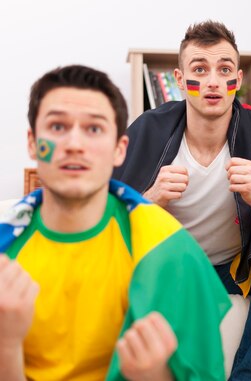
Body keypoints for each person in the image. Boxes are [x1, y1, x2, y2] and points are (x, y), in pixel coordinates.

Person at [0, 65, 230, 381]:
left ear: (119, 149)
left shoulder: (169, 250)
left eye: (94, 129)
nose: (74, 144)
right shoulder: (5, 251)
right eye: (57, 126)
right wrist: (6, 345)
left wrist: (154, 375)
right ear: (31, 142)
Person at [113, 20, 251, 381]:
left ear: (239, 78)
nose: (213, 82)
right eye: (199, 70)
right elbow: (109, 226)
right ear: (178, 78)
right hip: (174, 269)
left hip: (236, 267)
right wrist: (151, 199)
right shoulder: (147, 129)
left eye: (224, 70)